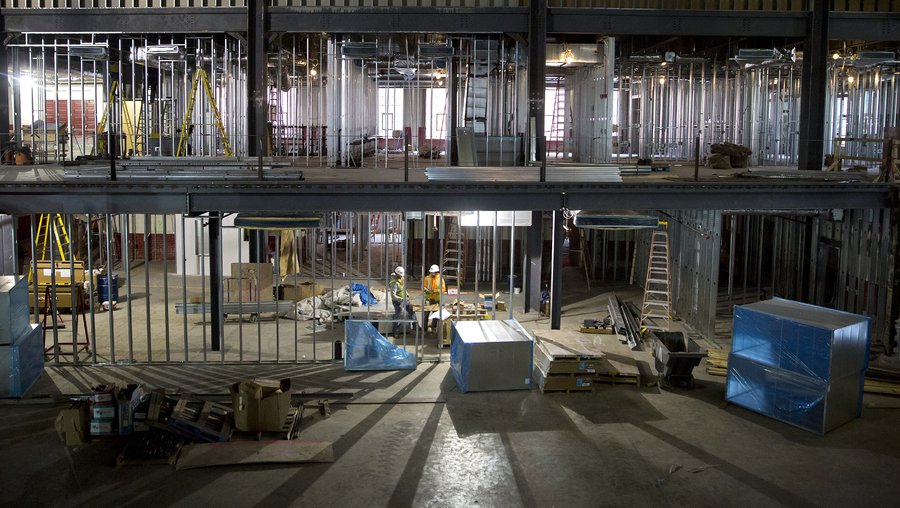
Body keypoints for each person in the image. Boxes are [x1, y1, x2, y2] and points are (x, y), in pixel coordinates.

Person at [389, 266, 415, 336]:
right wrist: (400, 299)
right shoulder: (394, 283)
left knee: (411, 310)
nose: (401, 277)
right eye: (400, 275)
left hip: (404, 299)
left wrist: (406, 294)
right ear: (397, 274)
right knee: (398, 314)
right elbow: (393, 295)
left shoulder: (400, 279)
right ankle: (396, 332)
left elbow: (403, 288)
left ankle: (415, 327)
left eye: (402, 275)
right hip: (397, 301)